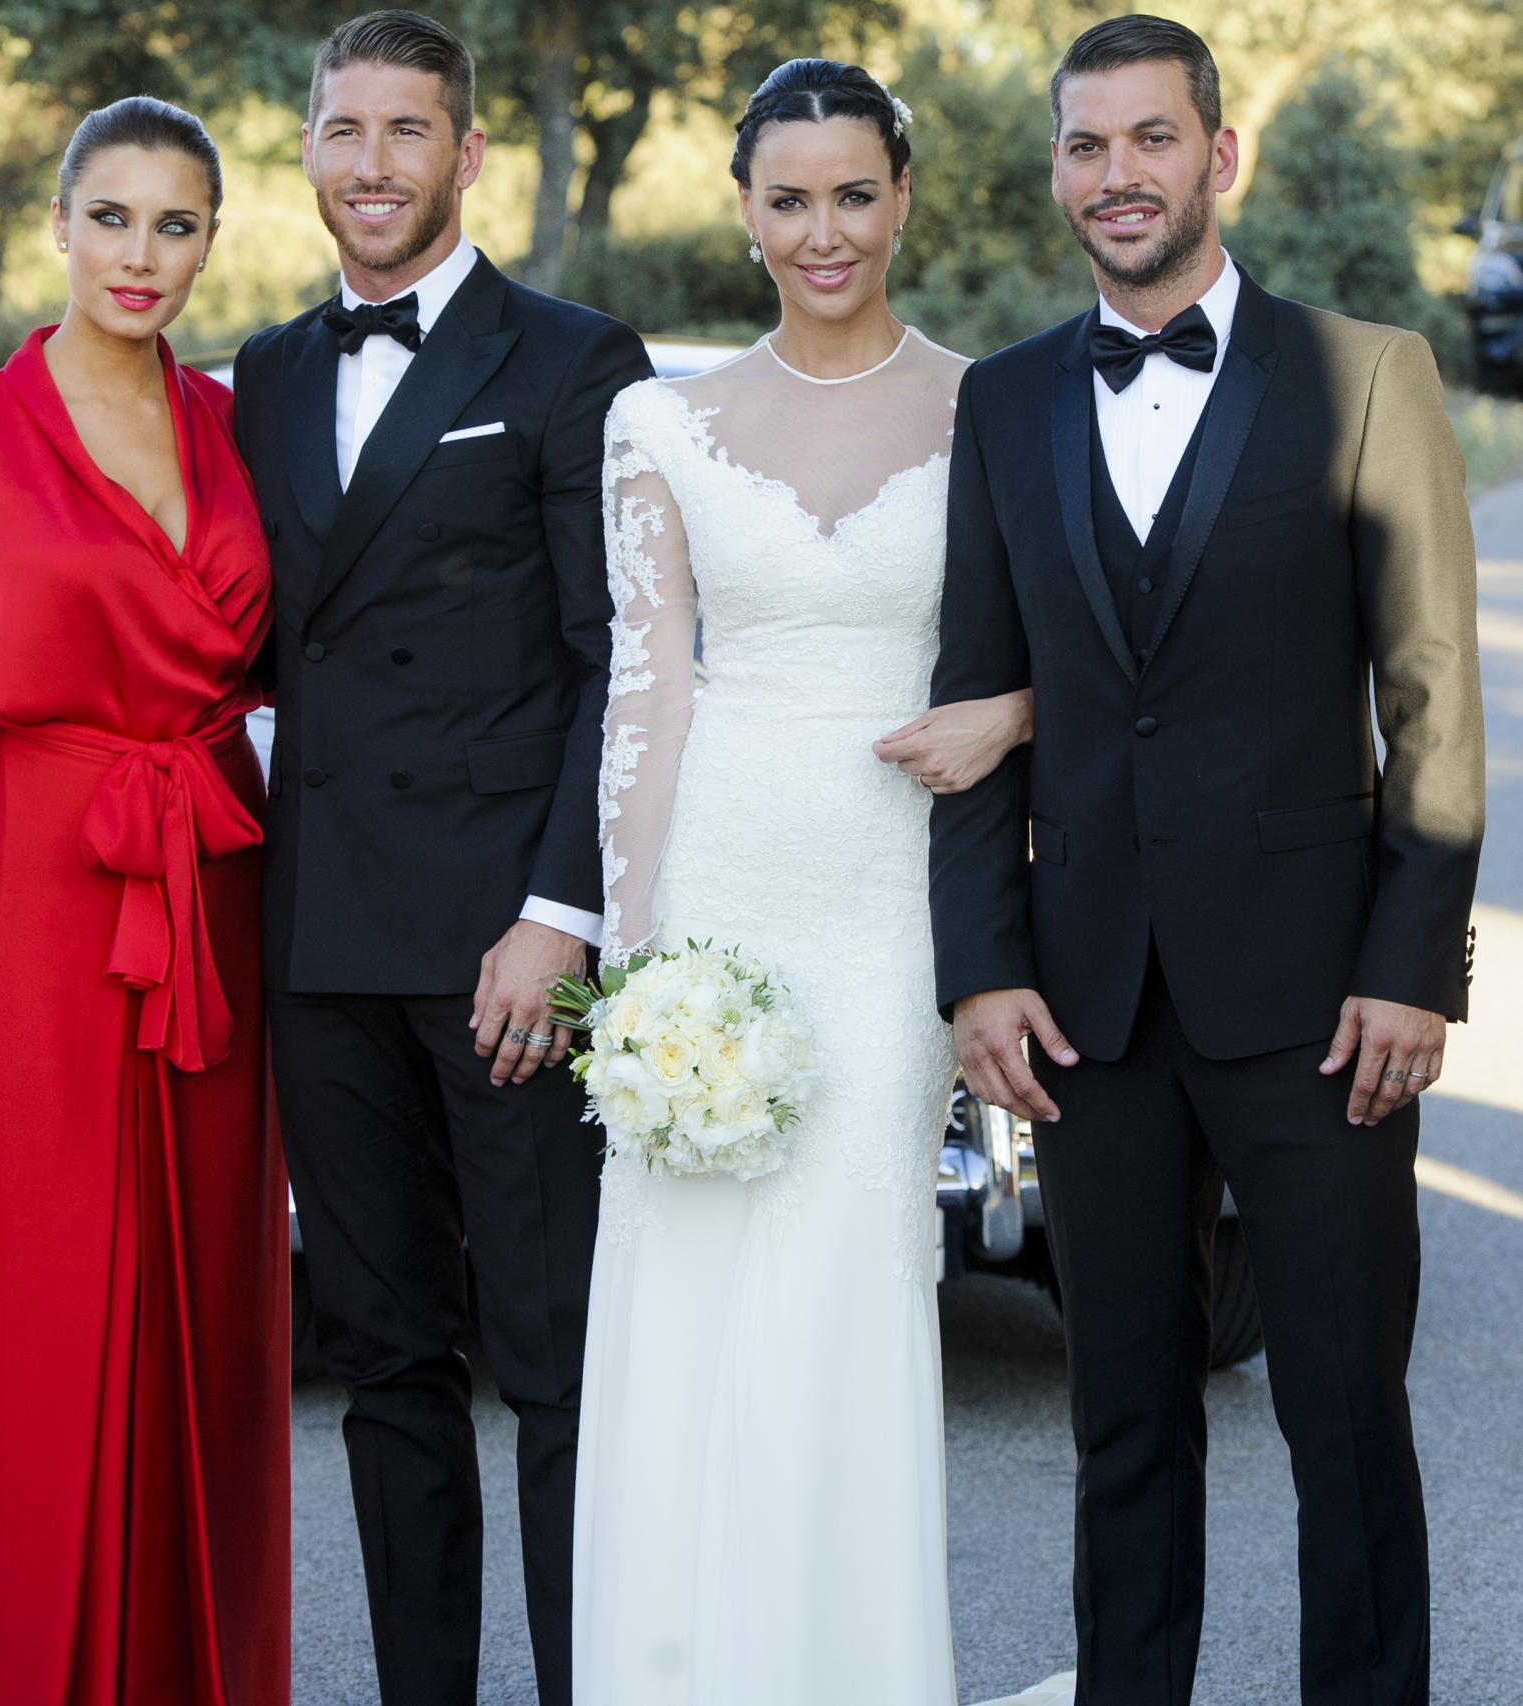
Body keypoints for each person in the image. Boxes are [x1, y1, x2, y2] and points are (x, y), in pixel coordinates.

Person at [930, 17, 1484, 1706]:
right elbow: (971, 696)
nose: (1117, 178)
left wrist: (1408, 966)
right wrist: (981, 963)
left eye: (1149, 141)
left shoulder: (1366, 371)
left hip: (1317, 997)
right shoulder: (1006, 397)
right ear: (1056, 171)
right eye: (1085, 148)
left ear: (1215, 157)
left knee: (1340, 1414)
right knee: (1121, 1422)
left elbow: (1431, 698)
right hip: (1087, 998)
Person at [573, 59, 1033, 1706]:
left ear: (904, 195)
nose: (821, 231)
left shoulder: (1001, 404)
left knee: (846, 1286)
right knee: (691, 1292)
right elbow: (644, 691)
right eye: (788, 199)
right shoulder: (663, 419)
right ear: (745, 211)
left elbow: (1086, 650)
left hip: (892, 895)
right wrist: (629, 975)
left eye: (852, 193)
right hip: (714, 894)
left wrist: (1020, 710)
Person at [227, 13, 652, 1704]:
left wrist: (560, 914)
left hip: (504, 951)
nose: (374, 166)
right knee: (387, 1364)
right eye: (346, 131)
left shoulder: (567, 357)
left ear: (468, 153)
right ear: (312, 149)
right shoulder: (259, 371)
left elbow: (617, 656)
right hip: (318, 941)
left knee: (552, 1365)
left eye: (410, 132)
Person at [0, 98, 289, 1706]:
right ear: (60, 222)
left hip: (217, 881)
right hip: (38, 892)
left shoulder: (246, 425)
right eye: (114, 217)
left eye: (177, 225)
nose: (143, 255)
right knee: (41, 1305)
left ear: (209, 243)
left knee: (218, 1294)